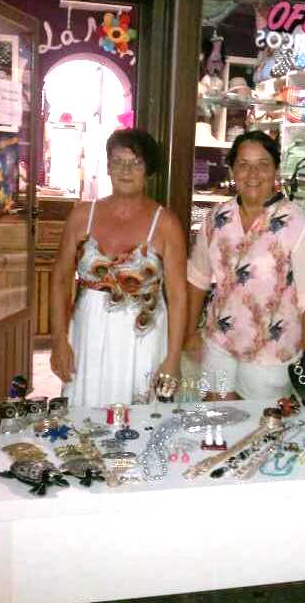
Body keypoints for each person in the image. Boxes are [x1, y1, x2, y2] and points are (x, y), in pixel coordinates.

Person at [184, 130, 305, 400]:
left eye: (263, 165)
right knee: (214, 419)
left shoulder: (299, 224)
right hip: (219, 343)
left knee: (260, 423)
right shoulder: (216, 218)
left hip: (271, 354)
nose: (253, 174)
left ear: (276, 170)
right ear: (232, 170)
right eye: (243, 165)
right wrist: (189, 332)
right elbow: (198, 278)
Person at [50, 128, 187, 407]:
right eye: (118, 161)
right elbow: (60, 280)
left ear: (148, 170)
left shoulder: (165, 223)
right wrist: (59, 341)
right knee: (85, 417)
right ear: (108, 166)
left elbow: (178, 296)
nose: (126, 170)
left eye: (135, 162)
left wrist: (173, 358)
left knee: (141, 419)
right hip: (88, 335)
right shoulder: (81, 215)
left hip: (144, 340)